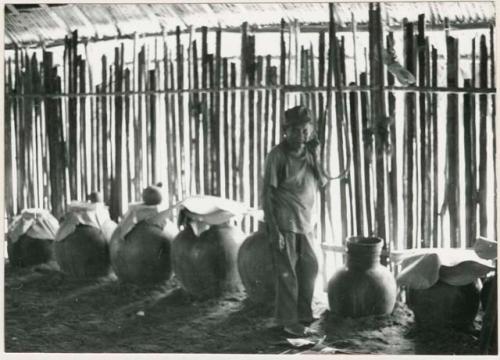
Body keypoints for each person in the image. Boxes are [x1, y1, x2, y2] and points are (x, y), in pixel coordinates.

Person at [262, 105, 328, 337]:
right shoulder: (277, 155)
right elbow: (267, 194)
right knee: (288, 274)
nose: (302, 134)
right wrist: (274, 229)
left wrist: (317, 156)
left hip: (305, 222)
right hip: (285, 222)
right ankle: (289, 321)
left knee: (310, 268)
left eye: (306, 129)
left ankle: (304, 314)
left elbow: (322, 181)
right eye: (297, 130)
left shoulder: (309, 153)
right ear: (285, 131)